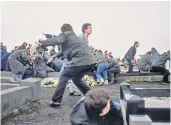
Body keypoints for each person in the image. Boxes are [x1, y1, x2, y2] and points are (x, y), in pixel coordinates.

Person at [38, 23, 96, 107]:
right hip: (90, 61)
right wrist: (55, 55)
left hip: (81, 60)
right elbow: (65, 51)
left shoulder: (66, 35)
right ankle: (92, 98)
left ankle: (56, 101)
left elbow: (56, 40)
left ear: (63, 30)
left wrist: (42, 43)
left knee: (64, 75)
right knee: (76, 79)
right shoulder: (74, 38)